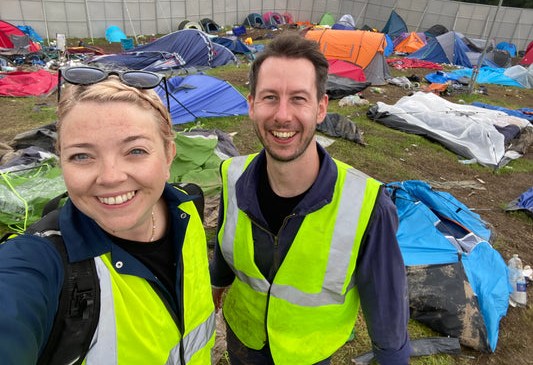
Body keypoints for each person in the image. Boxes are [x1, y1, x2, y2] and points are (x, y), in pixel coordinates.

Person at [209, 35, 411, 364]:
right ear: (251, 105)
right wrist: (218, 279)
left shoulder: (368, 205)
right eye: (270, 97)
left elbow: (386, 304)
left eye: (298, 99)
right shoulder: (232, 174)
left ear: (320, 108)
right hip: (243, 341)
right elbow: (226, 237)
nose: (283, 115)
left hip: (307, 354)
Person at [0, 68, 215, 364]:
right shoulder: (40, 260)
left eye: (136, 150)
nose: (111, 177)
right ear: (61, 162)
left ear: (168, 156)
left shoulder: (187, 210)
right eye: (82, 156)